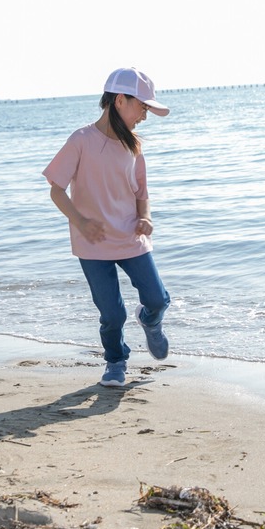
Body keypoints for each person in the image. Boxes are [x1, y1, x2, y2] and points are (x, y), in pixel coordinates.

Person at [43, 68, 173, 388]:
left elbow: (142, 193)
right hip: (93, 243)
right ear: (119, 101)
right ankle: (116, 361)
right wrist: (81, 222)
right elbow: (56, 190)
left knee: (157, 299)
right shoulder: (81, 140)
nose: (144, 115)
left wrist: (146, 217)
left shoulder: (134, 146)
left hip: (131, 236)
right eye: (142, 106)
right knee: (112, 315)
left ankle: (150, 321)